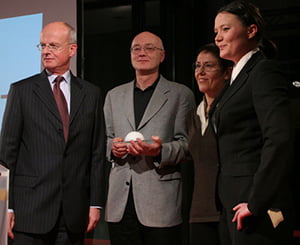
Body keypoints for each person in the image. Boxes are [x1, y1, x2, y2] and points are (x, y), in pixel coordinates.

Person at [0, 22, 106, 244]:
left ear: (72, 49)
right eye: (42, 45)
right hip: (29, 211)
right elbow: (7, 154)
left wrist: (95, 204)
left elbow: (96, 154)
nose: (46, 51)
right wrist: (6, 206)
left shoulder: (91, 94)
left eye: (54, 46)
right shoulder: (22, 91)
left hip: (73, 214)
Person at [212, 1, 294, 244]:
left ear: (251, 30)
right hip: (232, 203)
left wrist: (256, 201)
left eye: (225, 29)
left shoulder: (263, 71)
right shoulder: (236, 77)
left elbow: (279, 138)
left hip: (254, 205)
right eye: (216, 32)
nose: (218, 38)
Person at [103, 31, 195, 245]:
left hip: (160, 200)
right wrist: (112, 149)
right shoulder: (114, 95)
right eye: (136, 48)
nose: (142, 52)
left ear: (162, 56)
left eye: (149, 48)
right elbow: (105, 139)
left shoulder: (180, 94)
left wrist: (159, 151)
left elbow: (188, 145)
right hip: (120, 201)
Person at [186, 43, 233, 245]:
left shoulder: (233, 112)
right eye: (197, 66)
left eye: (209, 66)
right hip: (199, 212)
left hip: (229, 210)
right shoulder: (193, 115)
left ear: (227, 73)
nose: (201, 72)